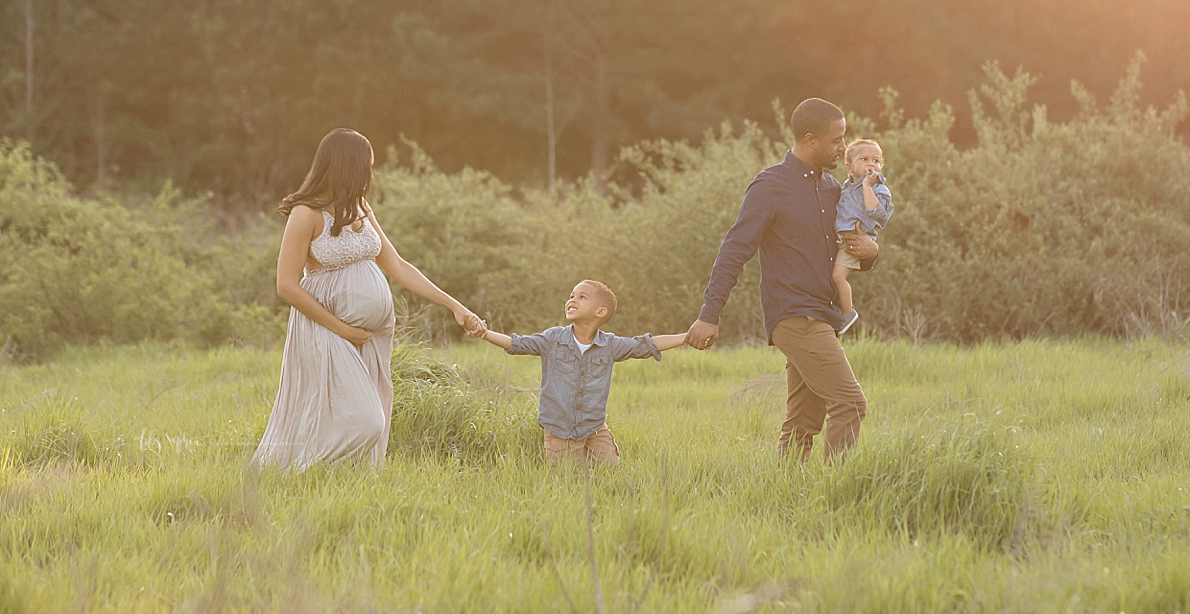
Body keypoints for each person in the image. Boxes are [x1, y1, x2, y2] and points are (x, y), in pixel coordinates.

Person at [252, 128, 487, 469]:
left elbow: (399, 266)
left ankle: (343, 486)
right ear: (347, 167)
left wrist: (455, 306)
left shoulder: (360, 208)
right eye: (368, 167)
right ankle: (300, 473)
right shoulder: (307, 214)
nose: (371, 175)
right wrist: (343, 330)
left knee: (369, 419)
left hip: (374, 335)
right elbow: (286, 285)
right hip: (327, 328)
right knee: (366, 421)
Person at [686, 97, 879, 460]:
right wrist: (709, 314)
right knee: (850, 404)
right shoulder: (769, 186)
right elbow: (734, 251)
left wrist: (872, 254)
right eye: (837, 140)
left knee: (805, 419)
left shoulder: (833, 190)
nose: (843, 148)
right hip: (795, 316)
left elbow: (852, 248)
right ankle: (840, 494)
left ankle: (788, 493)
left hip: (825, 316)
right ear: (810, 140)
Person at [477, 279, 688, 468]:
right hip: (560, 431)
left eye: (582, 297)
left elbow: (646, 345)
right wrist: (485, 333)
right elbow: (517, 344)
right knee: (569, 480)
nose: (572, 300)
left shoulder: (610, 345)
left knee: (610, 472)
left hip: (594, 428)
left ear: (600, 312)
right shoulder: (553, 339)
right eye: (571, 296)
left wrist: (687, 337)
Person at [831, 138, 893, 335]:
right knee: (833, 276)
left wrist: (867, 186)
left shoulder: (879, 190)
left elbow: (878, 214)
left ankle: (848, 313)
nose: (871, 164)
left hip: (855, 242)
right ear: (849, 167)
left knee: (838, 276)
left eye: (876, 161)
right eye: (864, 159)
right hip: (840, 240)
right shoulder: (845, 187)